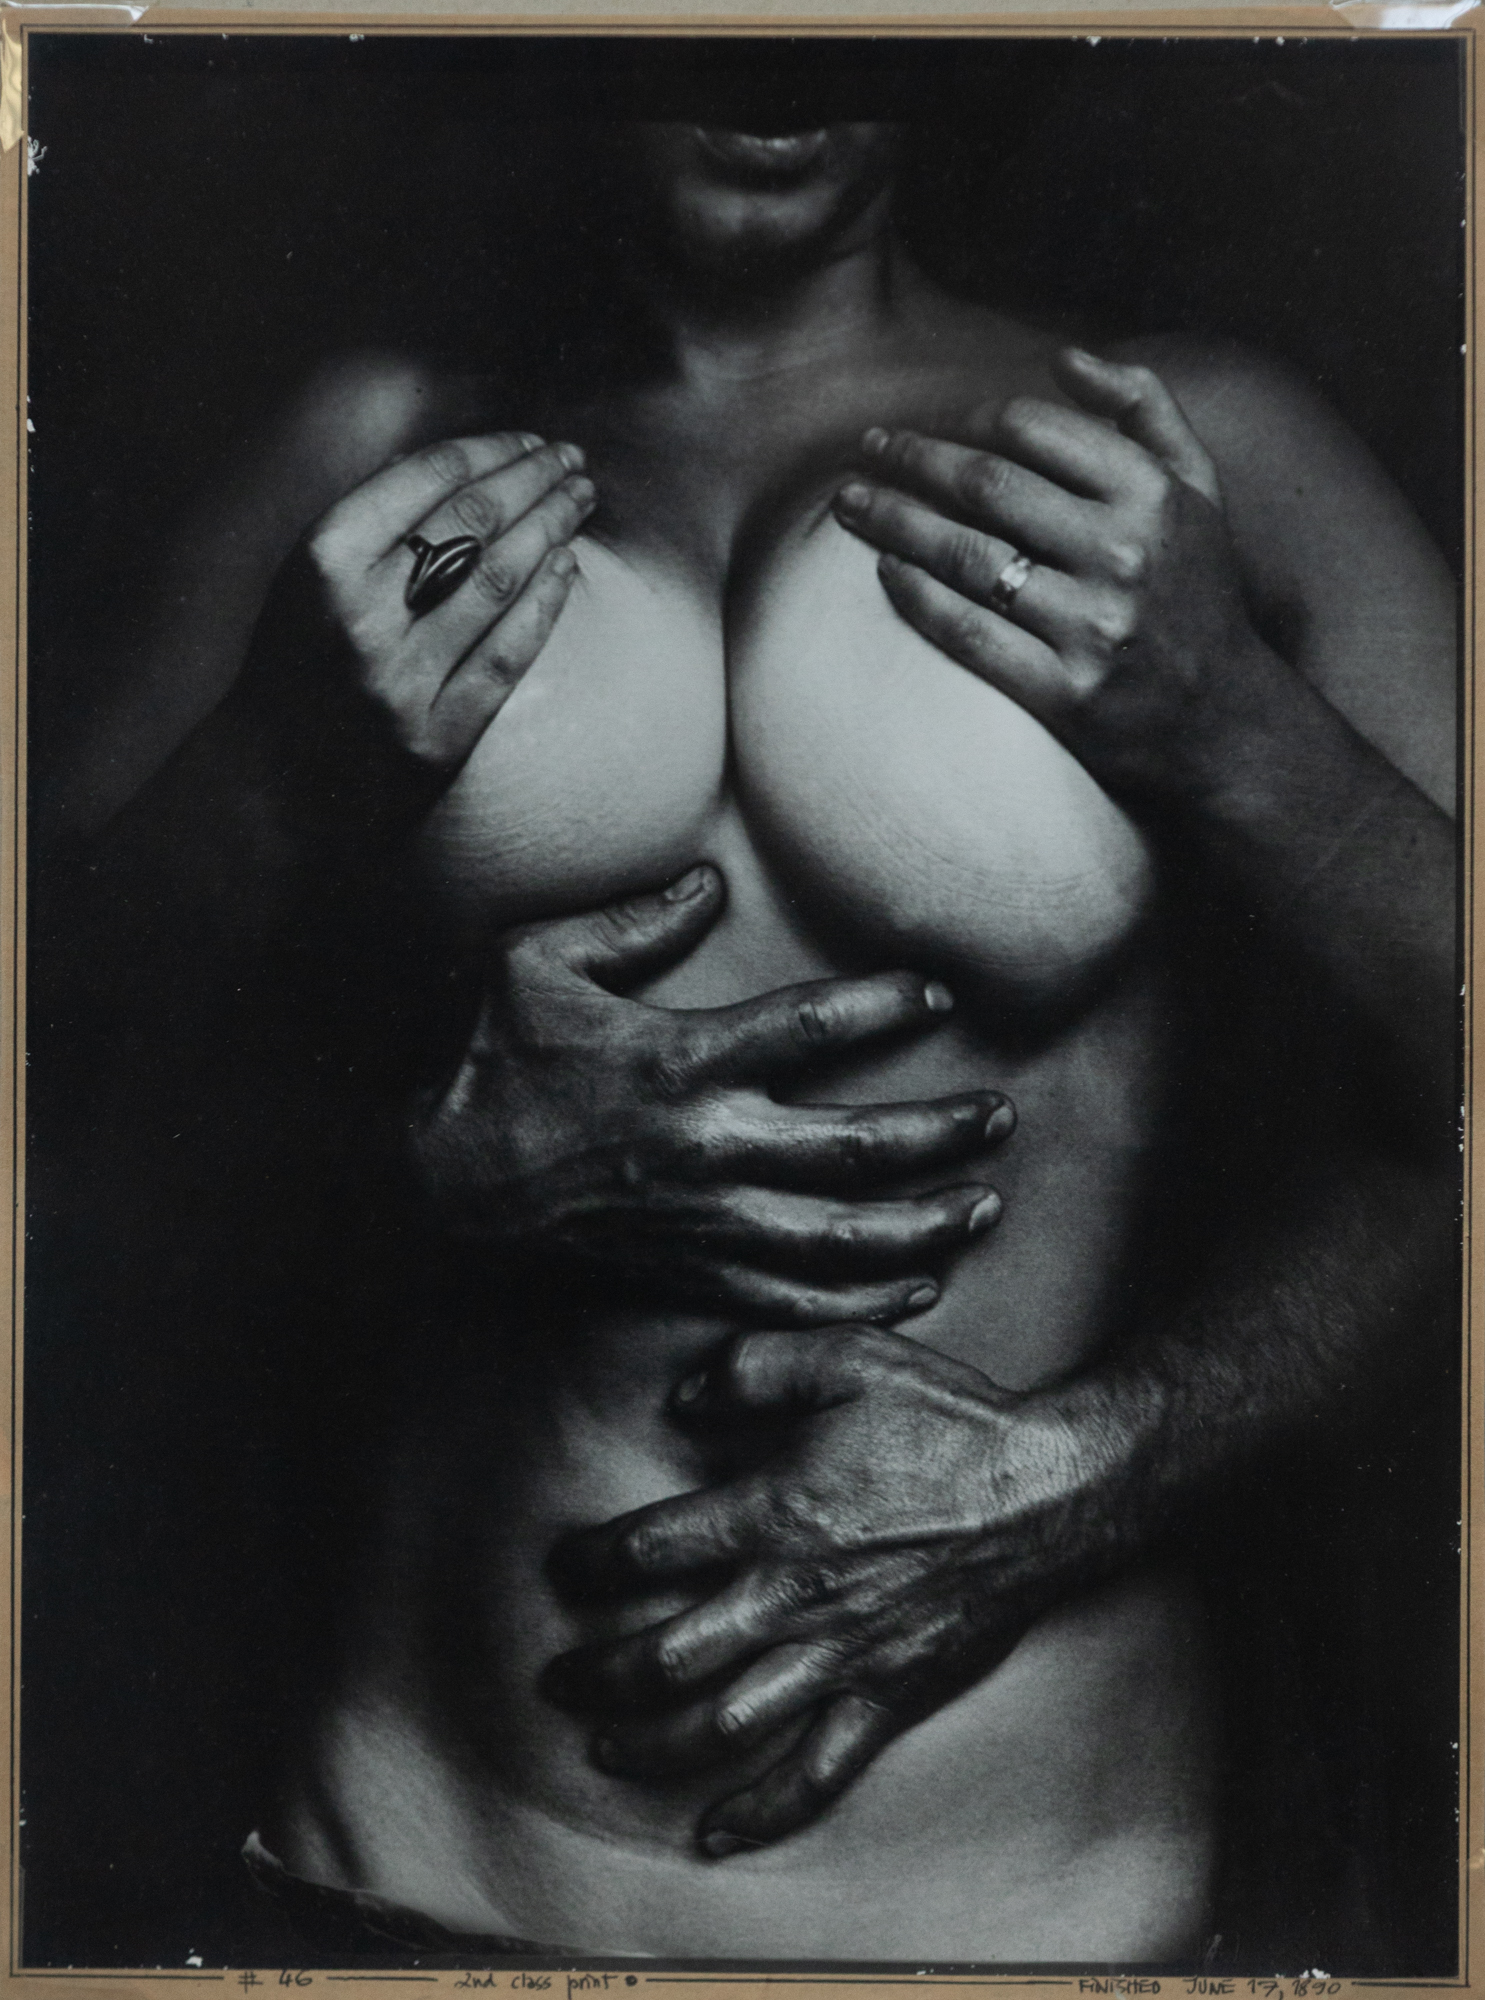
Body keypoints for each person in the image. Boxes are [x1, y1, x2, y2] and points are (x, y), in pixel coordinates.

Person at [51, 119, 1456, 1960]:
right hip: (407, 1859)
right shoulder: (374, 445)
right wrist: (291, 840)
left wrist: (1101, 1469)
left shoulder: (1195, 444)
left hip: (1029, 1909)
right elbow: (49, 1079)